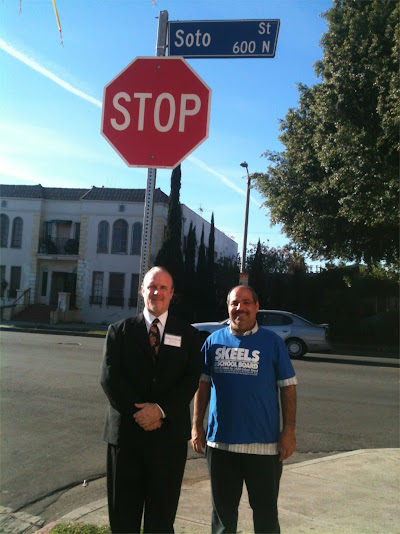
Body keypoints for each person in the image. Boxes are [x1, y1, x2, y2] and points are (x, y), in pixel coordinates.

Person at [100, 266, 201, 534]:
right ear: (142, 291)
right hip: (126, 440)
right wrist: (141, 414)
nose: (157, 292)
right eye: (152, 286)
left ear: (172, 294)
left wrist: (160, 410)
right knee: (123, 518)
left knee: (162, 518)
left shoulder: (188, 334)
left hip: (168, 440)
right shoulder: (119, 331)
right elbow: (110, 379)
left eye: (163, 287)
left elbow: (191, 379)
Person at [191, 285, 297, 534]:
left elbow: (288, 388)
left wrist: (289, 430)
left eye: (246, 302)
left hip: (264, 446)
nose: (240, 308)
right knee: (223, 516)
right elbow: (202, 386)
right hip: (221, 446)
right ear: (228, 307)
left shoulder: (272, 343)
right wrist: (197, 425)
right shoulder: (213, 342)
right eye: (234, 303)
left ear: (257, 306)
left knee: (266, 513)